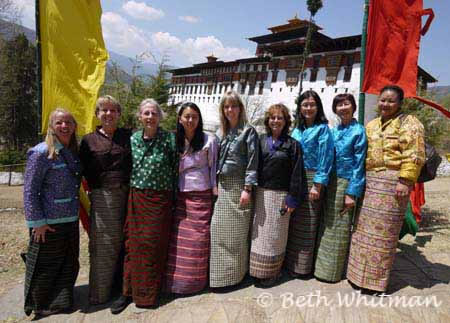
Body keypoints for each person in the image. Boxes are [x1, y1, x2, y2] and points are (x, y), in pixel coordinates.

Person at [347, 85, 425, 292]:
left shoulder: (409, 123)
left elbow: (415, 154)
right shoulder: (371, 125)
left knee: (384, 235)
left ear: (400, 103)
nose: (386, 104)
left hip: (392, 184)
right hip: (370, 184)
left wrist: (405, 181)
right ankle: (357, 276)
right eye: (383, 100)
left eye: (391, 101)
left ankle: (374, 283)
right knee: (363, 233)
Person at [110, 99, 177, 314]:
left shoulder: (169, 139)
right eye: (146, 113)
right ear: (140, 116)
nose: (150, 117)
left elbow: (175, 168)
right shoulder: (133, 139)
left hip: (160, 201)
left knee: (155, 246)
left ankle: (150, 293)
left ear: (159, 117)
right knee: (133, 244)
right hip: (137, 198)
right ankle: (127, 292)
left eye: (154, 113)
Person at [23, 108, 81, 317]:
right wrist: (36, 222)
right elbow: (30, 189)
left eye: (68, 122)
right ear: (51, 126)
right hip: (48, 221)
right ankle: (39, 304)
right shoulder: (40, 153)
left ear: (74, 126)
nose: (64, 126)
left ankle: (61, 302)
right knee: (45, 264)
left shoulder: (70, 152)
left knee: (68, 262)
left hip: (70, 218)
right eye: (59, 122)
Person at [79, 95, 132, 304]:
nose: (108, 114)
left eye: (113, 110)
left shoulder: (128, 136)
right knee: (103, 245)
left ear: (119, 114)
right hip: (102, 198)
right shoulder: (88, 140)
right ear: (97, 114)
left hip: (129, 196)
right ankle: (100, 293)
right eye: (104, 110)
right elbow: (79, 170)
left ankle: (124, 289)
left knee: (127, 242)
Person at [164, 102, 218, 294]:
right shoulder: (172, 140)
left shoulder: (208, 140)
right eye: (187, 116)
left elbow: (213, 167)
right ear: (180, 119)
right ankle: (176, 283)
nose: (190, 120)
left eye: (194, 117)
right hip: (180, 195)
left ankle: (195, 283)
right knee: (179, 239)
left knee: (199, 238)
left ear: (199, 119)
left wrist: (214, 190)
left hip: (201, 195)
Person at [250, 104, 305, 286]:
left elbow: (297, 173)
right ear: (268, 120)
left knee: (276, 236)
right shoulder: (260, 140)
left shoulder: (293, 145)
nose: (275, 121)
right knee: (259, 236)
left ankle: (273, 273)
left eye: (280, 118)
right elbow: (253, 166)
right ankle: (257, 271)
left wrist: (292, 197)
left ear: (286, 121)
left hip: (281, 197)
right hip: (261, 196)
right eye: (272, 117)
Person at [314, 93, 367, 282]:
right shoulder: (334, 131)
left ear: (353, 107)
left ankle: (332, 272)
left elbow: (359, 165)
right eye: (339, 105)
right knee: (326, 224)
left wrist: (352, 192)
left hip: (346, 182)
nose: (343, 108)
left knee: (340, 226)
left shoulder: (359, 131)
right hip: (331, 181)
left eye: (346, 104)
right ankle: (320, 268)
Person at [210, 90, 259, 288]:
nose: (230, 110)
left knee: (236, 236)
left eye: (234, 106)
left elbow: (253, 162)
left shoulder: (248, 131)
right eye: (226, 106)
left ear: (240, 108)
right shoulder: (220, 132)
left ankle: (236, 276)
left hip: (240, 187)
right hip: (223, 187)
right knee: (218, 232)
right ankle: (219, 278)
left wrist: (247, 188)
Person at [285, 90, 334, 276]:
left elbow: (326, 157)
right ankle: (291, 264)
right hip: (296, 179)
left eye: (312, 104)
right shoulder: (297, 130)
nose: (308, 108)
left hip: (313, 178)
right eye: (304, 105)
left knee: (309, 222)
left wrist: (318, 184)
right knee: (294, 221)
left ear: (318, 107)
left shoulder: (323, 129)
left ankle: (303, 268)